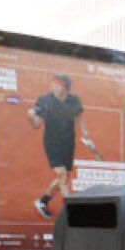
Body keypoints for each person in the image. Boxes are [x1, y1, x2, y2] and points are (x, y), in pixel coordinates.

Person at [27, 74, 96, 219]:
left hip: (68, 143)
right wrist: (31, 116)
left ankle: (42, 201)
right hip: (52, 143)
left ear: (65, 87)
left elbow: (79, 119)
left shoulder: (74, 101)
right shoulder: (44, 101)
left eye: (57, 85)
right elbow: (36, 125)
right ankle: (72, 211)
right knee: (63, 175)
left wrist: (85, 134)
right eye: (53, 84)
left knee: (64, 178)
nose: (53, 87)